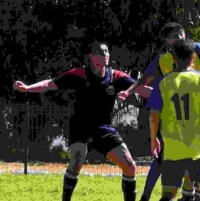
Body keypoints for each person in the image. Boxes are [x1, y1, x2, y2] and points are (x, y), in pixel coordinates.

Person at [14, 41, 152, 201]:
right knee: (78, 157)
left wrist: (169, 92)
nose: (105, 55)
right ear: (91, 57)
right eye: (100, 53)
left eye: (107, 52)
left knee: (130, 167)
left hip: (103, 128)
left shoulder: (116, 76)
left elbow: (141, 89)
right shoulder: (79, 74)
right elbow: (50, 84)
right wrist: (28, 88)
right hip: (80, 126)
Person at [140, 22, 200, 201]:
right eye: (173, 35)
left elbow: (153, 113)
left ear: (173, 59)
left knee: (168, 194)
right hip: (197, 148)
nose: (177, 37)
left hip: (173, 148)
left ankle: (181, 196)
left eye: (180, 34)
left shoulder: (165, 83)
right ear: (193, 58)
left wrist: (153, 139)